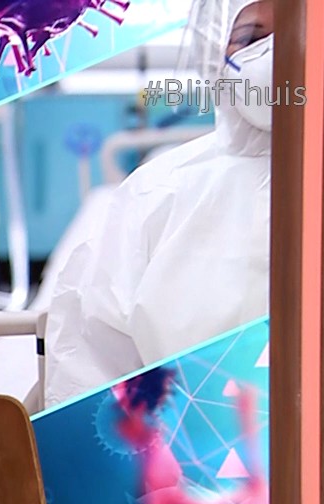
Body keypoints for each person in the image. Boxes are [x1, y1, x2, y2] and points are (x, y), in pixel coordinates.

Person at [39, 0, 276, 409]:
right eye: (251, 38)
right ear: (214, 52)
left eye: (299, 29)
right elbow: (89, 372)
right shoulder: (156, 194)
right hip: (181, 445)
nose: (274, 55)